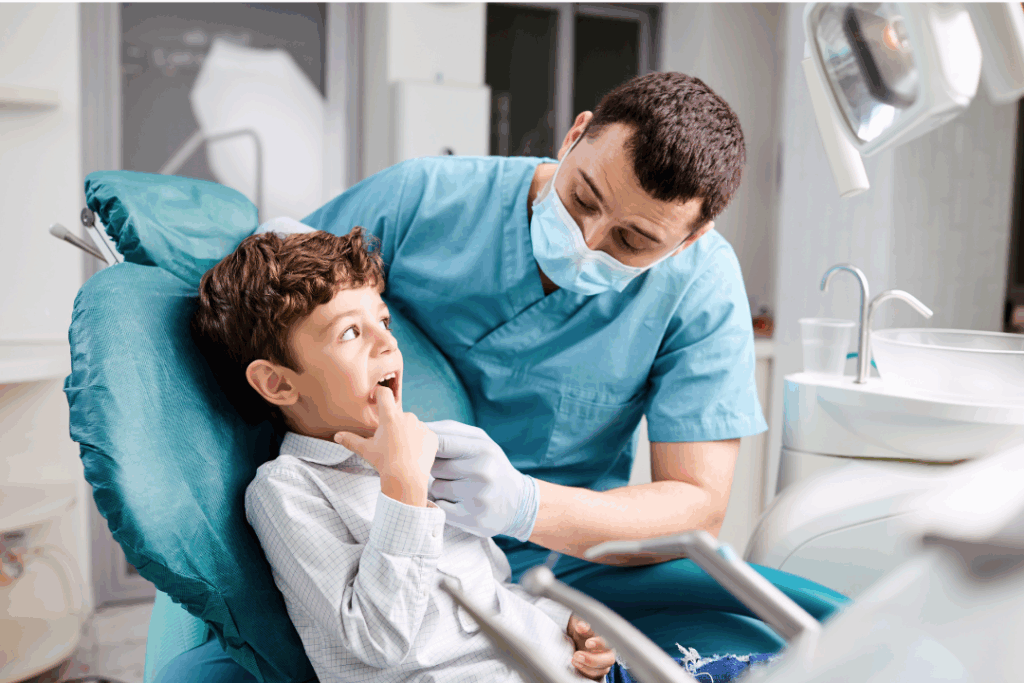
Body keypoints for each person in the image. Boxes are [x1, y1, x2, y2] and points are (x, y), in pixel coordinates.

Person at [161, 71, 848, 682]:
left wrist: (525, 507)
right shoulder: (423, 199)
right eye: (584, 198)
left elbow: (696, 502)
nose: (588, 239)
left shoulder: (701, 285)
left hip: (574, 551)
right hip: (391, 544)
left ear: (688, 240)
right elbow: (285, 294)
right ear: (576, 134)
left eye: (632, 241)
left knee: (780, 627)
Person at [189, 227, 769, 683]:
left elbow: (489, 592)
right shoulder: (288, 491)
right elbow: (374, 645)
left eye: (383, 321)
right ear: (278, 384)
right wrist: (403, 490)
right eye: (349, 334)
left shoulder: (427, 449)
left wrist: (563, 626)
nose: (387, 342)